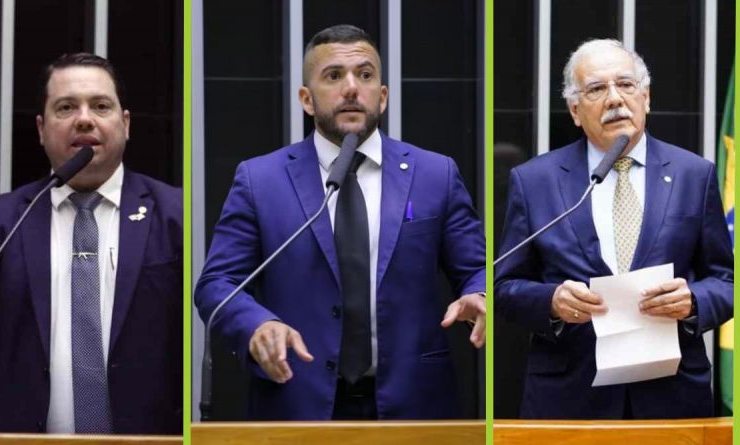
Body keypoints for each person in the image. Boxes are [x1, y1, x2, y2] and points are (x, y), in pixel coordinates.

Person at [195, 24, 486, 420]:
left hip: (413, 404)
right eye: (333, 76)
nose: (351, 88)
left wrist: (480, 294)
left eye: (364, 75)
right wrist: (256, 325)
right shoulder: (260, 180)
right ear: (307, 99)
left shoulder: (436, 174)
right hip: (296, 400)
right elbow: (217, 284)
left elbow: (477, 269)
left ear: (382, 96)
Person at [495, 39, 733, 419]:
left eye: (625, 84)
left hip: (671, 398)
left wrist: (693, 302)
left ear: (646, 98)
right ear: (575, 110)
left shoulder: (694, 175)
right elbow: (504, 286)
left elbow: (726, 281)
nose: (615, 99)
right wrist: (551, 301)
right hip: (569, 398)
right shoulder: (535, 181)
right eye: (596, 89)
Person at [0, 53, 182, 434]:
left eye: (100, 106)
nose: (84, 119)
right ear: (41, 129)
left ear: (125, 124)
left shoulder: (177, 216)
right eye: (66, 107)